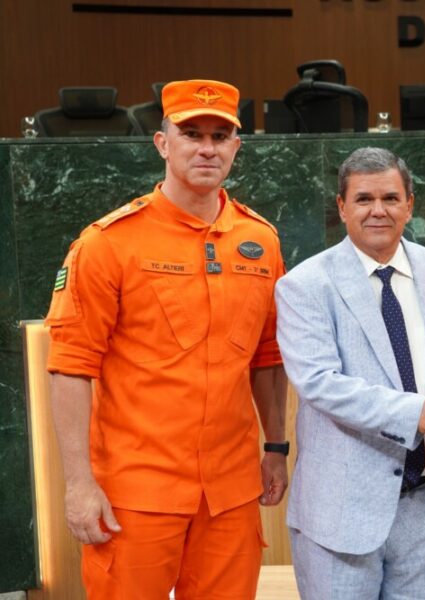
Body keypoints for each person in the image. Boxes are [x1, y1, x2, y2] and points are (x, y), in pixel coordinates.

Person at [45, 79, 289, 598]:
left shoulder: (260, 240)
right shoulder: (108, 243)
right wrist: (78, 484)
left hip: (230, 490)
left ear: (236, 148)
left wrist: (275, 447)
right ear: (162, 143)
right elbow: (70, 366)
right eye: (191, 133)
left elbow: (267, 357)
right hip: (136, 490)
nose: (207, 148)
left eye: (221, 136)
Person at [275, 147, 425, 600]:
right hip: (340, 513)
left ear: (410, 204)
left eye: (390, 198)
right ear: (342, 207)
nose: (378, 210)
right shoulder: (304, 285)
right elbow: (318, 382)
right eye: (363, 199)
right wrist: (417, 412)